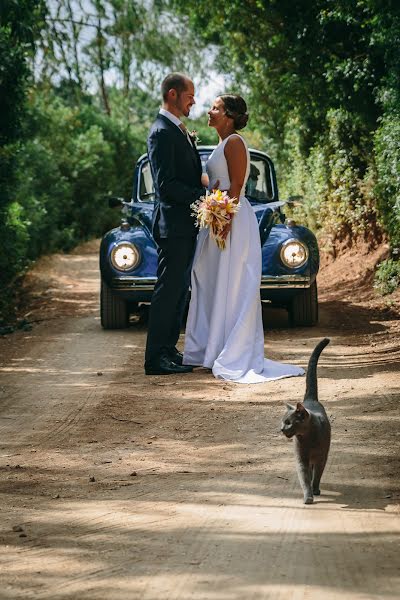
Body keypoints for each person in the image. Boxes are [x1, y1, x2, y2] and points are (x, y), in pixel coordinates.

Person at [183, 94, 305, 384]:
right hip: (218, 217)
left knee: (234, 282)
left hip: (233, 219)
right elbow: (214, 180)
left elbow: (236, 183)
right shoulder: (222, 144)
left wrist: (226, 218)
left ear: (229, 115)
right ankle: (213, 347)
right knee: (212, 280)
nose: (209, 111)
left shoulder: (235, 142)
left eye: (215, 107)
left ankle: (233, 351)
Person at [144, 73, 205, 375]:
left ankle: (169, 350)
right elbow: (166, 185)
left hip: (185, 225)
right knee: (168, 291)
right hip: (172, 225)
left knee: (179, 289)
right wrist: (202, 199)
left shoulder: (177, 130)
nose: (194, 100)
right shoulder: (161, 132)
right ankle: (155, 359)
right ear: (172, 94)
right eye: (189, 94)